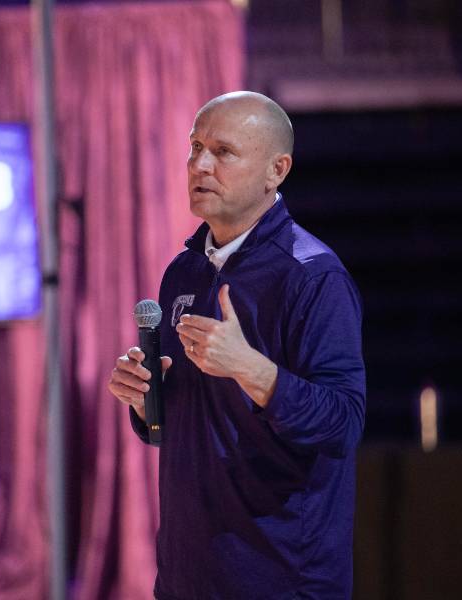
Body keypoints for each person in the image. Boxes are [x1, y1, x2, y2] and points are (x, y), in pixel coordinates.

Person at [108, 91, 365, 599]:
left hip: (280, 576)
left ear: (276, 170)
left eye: (223, 152)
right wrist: (147, 402)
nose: (200, 164)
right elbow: (185, 431)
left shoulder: (312, 277)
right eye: (195, 147)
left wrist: (254, 371)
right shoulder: (183, 270)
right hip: (188, 574)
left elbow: (343, 424)